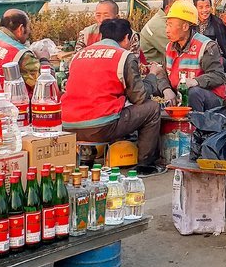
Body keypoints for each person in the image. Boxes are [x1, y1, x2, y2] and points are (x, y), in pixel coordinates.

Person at [62, 18, 163, 176]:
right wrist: (152, 75)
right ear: (127, 38)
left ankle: (86, 160)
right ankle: (146, 165)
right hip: (100, 126)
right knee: (152, 108)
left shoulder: (79, 55)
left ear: (102, 36)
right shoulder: (124, 56)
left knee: (103, 106)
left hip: (68, 125)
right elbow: (139, 97)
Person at [156, 0, 226, 112]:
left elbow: (218, 76)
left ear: (185, 26)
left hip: (208, 99)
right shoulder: (169, 47)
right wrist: (166, 89)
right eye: (166, 25)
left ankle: (196, 127)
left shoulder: (206, 46)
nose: (167, 30)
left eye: (170, 25)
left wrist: (195, 81)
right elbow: (162, 73)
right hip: (180, 96)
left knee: (193, 92)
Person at [75, 0, 141, 56]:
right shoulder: (86, 34)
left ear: (117, 17)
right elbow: (77, 57)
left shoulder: (129, 35)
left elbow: (132, 61)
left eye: (106, 16)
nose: (101, 20)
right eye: (98, 15)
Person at [193, 0, 226, 73]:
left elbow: (225, 48)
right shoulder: (191, 23)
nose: (204, 10)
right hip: (193, 59)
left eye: (207, 6)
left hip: (212, 59)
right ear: (195, 8)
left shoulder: (218, 24)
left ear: (211, 7)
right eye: (201, 7)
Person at [140, 0, 183, 65]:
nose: (183, 11)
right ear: (167, 8)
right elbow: (176, 52)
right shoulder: (158, 26)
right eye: (179, 8)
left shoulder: (164, 20)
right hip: (153, 69)